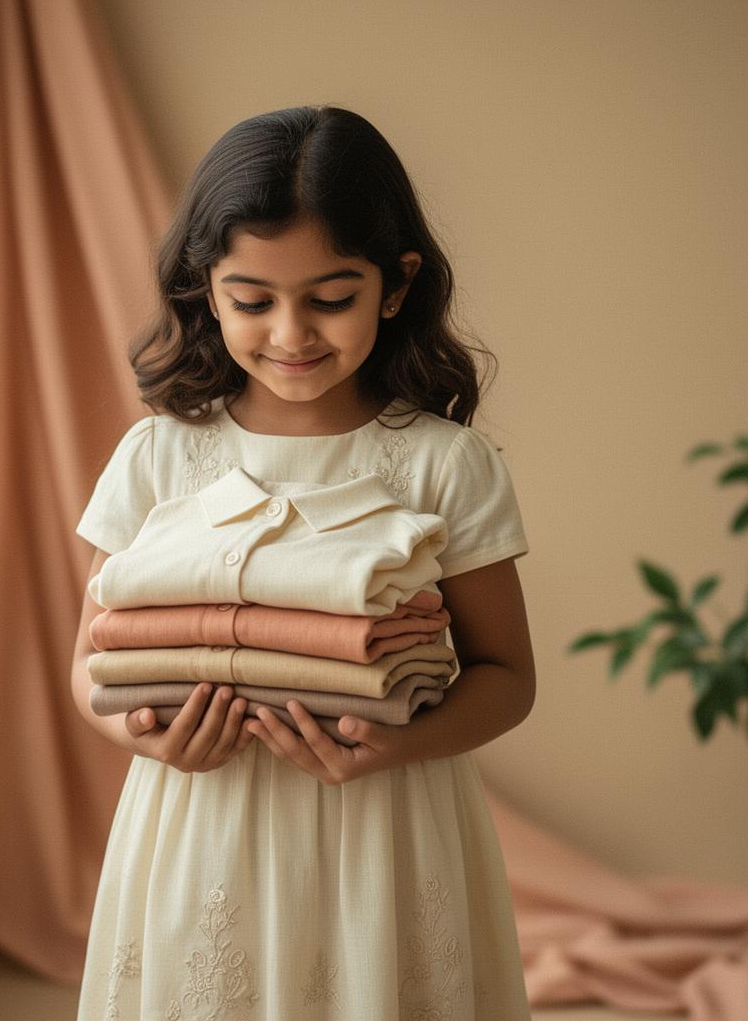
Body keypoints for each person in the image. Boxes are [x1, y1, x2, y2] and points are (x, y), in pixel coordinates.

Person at [71, 105, 536, 1020]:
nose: (291, 333)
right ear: (207, 289)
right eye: (253, 301)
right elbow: (90, 665)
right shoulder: (158, 457)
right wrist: (151, 738)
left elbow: (508, 678)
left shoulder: (443, 464)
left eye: (330, 298)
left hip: (386, 829)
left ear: (395, 286)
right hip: (200, 825)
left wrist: (394, 746)